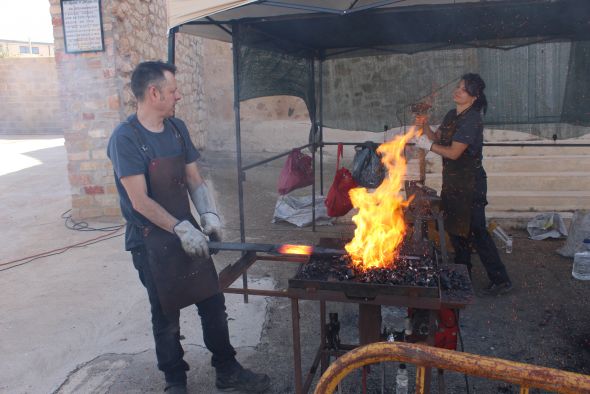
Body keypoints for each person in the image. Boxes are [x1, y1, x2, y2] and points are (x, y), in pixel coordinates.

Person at [107, 61, 270, 393]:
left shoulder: (177, 128)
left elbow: (194, 180)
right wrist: (181, 229)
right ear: (153, 93)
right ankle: (175, 381)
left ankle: (227, 369)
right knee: (166, 316)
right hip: (151, 239)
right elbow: (140, 201)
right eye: (172, 91)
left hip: (190, 232)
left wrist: (208, 214)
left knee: (212, 301)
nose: (178, 95)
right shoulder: (126, 139)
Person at [413, 73, 512, 296]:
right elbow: (437, 139)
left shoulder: (472, 119)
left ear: (474, 96)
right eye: (458, 87)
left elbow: (454, 153)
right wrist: (425, 126)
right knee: (456, 229)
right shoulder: (451, 115)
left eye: (463, 89)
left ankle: (501, 278)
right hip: (453, 181)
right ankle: (462, 273)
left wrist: (427, 146)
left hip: (472, 183)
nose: (457, 91)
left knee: (476, 230)